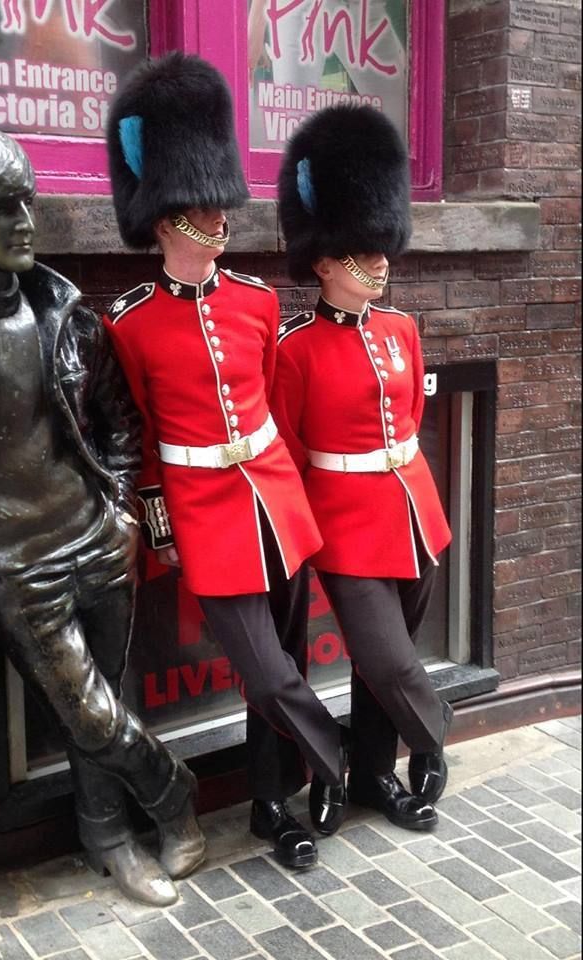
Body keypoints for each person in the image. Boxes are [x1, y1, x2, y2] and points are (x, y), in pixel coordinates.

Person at [0, 126, 205, 906]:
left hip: (97, 538)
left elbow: (117, 421)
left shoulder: (66, 313)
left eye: (28, 200)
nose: (26, 220)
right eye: (3, 208)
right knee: (94, 713)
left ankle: (106, 838)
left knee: (102, 697)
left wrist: (120, 510)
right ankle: (172, 795)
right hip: (15, 561)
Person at [104, 52, 349, 870]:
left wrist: (298, 501)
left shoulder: (256, 302)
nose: (219, 218)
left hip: (275, 503)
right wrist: (160, 530)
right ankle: (335, 760)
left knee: (268, 678)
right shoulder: (130, 324)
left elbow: (278, 409)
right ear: (167, 219)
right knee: (271, 672)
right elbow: (139, 443)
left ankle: (272, 807)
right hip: (205, 515)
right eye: (202, 209)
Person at [271, 104, 454, 831]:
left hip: (414, 513)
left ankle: (375, 775)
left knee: (382, 669)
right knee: (393, 661)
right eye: (361, 252)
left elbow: (409, 424)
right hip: (344, 527)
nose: (380, 262)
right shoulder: (296, 347)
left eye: (383, 248)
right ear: (323, 261)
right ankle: (435, 738)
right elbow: (284, 447)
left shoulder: (403, 330)